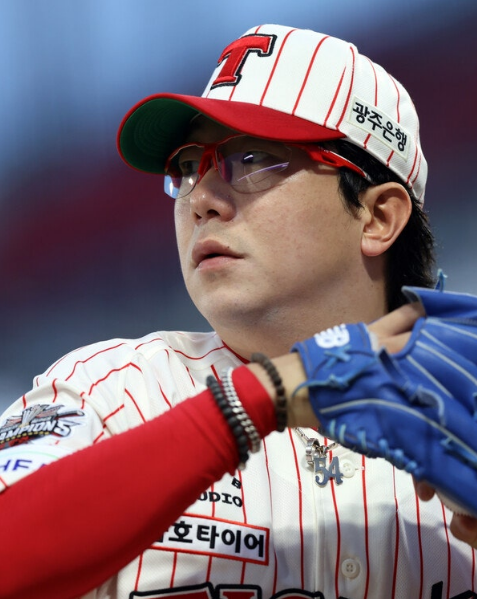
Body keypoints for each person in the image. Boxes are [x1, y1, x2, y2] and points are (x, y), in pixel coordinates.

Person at [1, 23, 476, 599]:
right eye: (187, 167)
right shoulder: (115, 392)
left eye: (252, 158)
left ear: (378, 217)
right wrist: (258, 398)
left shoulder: (461, 412)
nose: (200, 198)